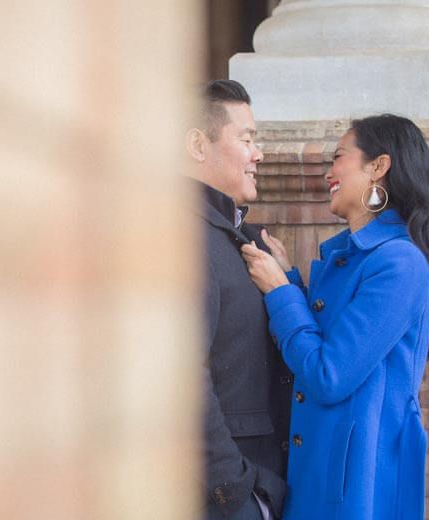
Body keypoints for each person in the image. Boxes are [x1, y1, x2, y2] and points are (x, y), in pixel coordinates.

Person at [241, 114, 429, 520]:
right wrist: (288, 279)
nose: (329, 172)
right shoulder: (358, 257)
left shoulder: (399, 263)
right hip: (325, 473)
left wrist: (281, 292)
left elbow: (330, 374)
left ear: (378, 166)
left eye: (340, 157)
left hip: (359, 486)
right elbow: (330, 341)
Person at [186, 80, 292, 520]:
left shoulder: (239, 235)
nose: (258, 154)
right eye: (246, 140)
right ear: (197, 144)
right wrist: (238, 495)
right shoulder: (181, 235)